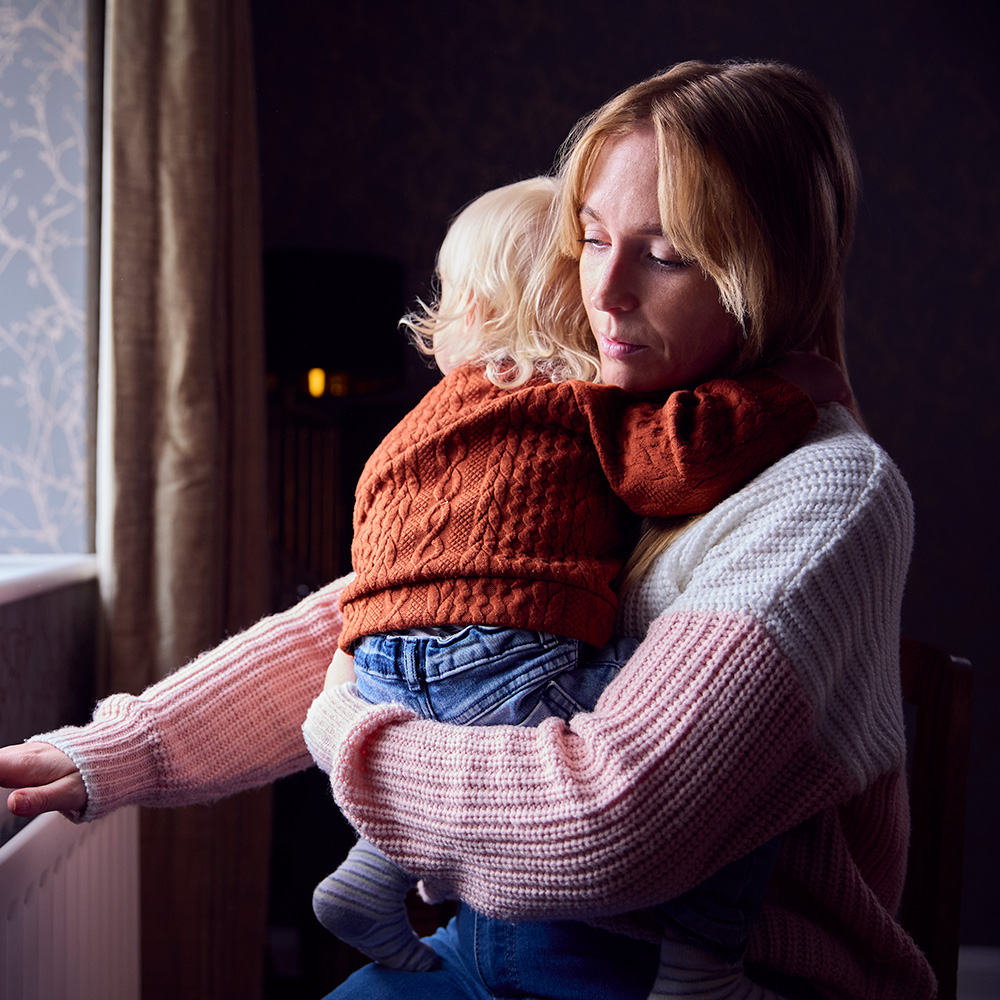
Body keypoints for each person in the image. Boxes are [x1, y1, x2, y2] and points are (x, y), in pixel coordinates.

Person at [0, 59, 935, 1000]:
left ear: (765, 274)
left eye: (664, 254)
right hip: (479, 947)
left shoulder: (824, 495)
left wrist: (345, 729)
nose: (602, 291)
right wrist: (104, 758)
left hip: (692, 980)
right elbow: (380, 621)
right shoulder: (601, 426)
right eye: (592, 237)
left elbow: (605, 826)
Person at [313, 173, 825, 980]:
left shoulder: (419, 424)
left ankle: (372, 868)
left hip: (376, 660)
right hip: (499, 653)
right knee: (739, 761)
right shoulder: (577, 398)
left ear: (471, 315)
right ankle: (702, 962)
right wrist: (789, 395)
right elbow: (677, 466)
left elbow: (381, 545)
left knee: (446, 715)